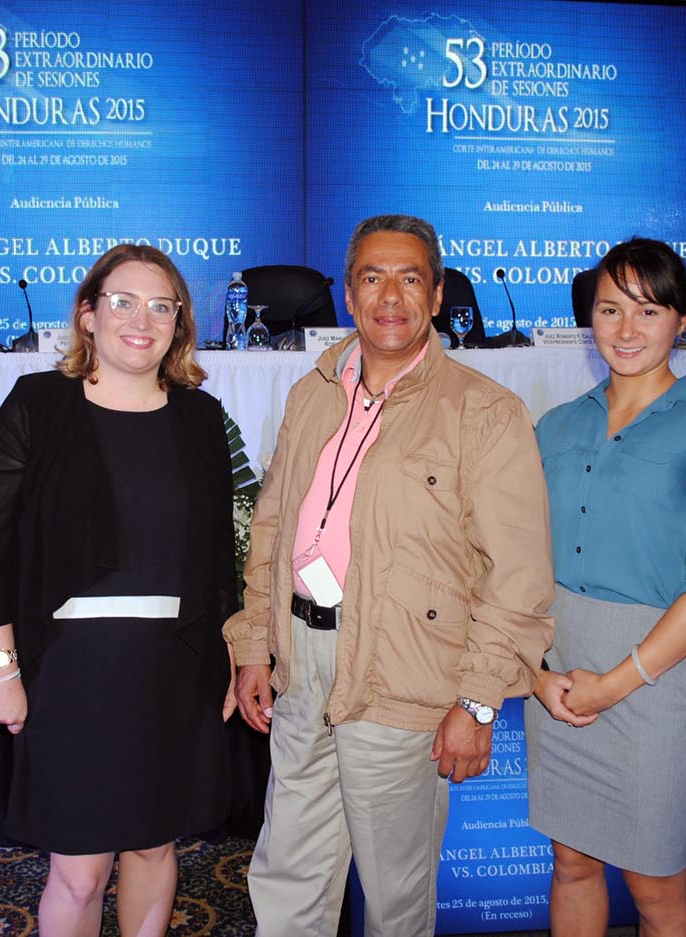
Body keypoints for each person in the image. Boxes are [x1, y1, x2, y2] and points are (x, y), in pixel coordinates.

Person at [224, 214, 555, 937]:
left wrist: (476, 704)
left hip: (404, 666)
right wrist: (255, 642)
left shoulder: (484, 411)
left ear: (436, 296)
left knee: (395, 896)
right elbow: (275, 525)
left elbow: (518, 577)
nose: (391, 295)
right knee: (289, 875)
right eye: (374, 277)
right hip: (303, 665)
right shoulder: (313, 391)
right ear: (349, 293)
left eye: (411, 278)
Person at [0, 244, 237, 937]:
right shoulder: (39, 404)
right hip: (70, 672)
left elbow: (216, 560)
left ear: (180, 323)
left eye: (161, 306)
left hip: (171, 667)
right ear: (88, 314)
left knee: (154, 842)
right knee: (80, 870)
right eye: (122, 301)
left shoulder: (200, 418)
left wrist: (232, 654)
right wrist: (2, 671)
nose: (140, 320)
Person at [525, 238, 686, 937]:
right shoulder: (556, 426)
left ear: (681, 321)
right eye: (610, 309)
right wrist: (535, 675)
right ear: (588, 318)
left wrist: (616, 682)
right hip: (559, 671)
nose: (627, 330)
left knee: (657, 888)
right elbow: (516, 564)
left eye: (649, 311)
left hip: (652, 676)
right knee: (571, 864)